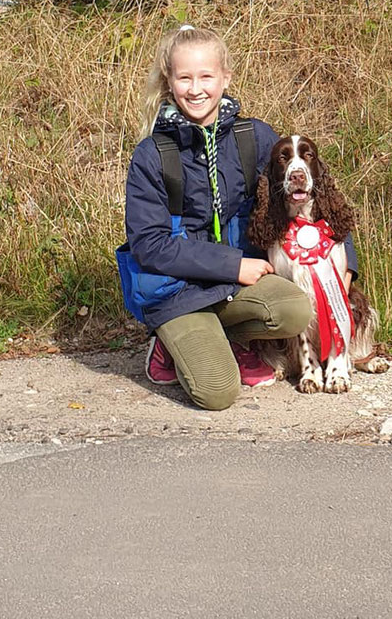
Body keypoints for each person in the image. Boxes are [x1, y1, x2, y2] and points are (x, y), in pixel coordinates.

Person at [125, 25, 358, 411]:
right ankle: (168, 344)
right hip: (180, 292)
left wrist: (344, 262)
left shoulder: (255, 137)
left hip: (239, 287)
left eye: (206, 76)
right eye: (184, 78)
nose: (196, 89)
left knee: (295, 308)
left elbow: (310, 192)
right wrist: (234, 264)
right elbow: (149, 246)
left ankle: (234, 336)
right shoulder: (152, 155)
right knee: (217, 393)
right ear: (169, 81)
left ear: (225, 78)